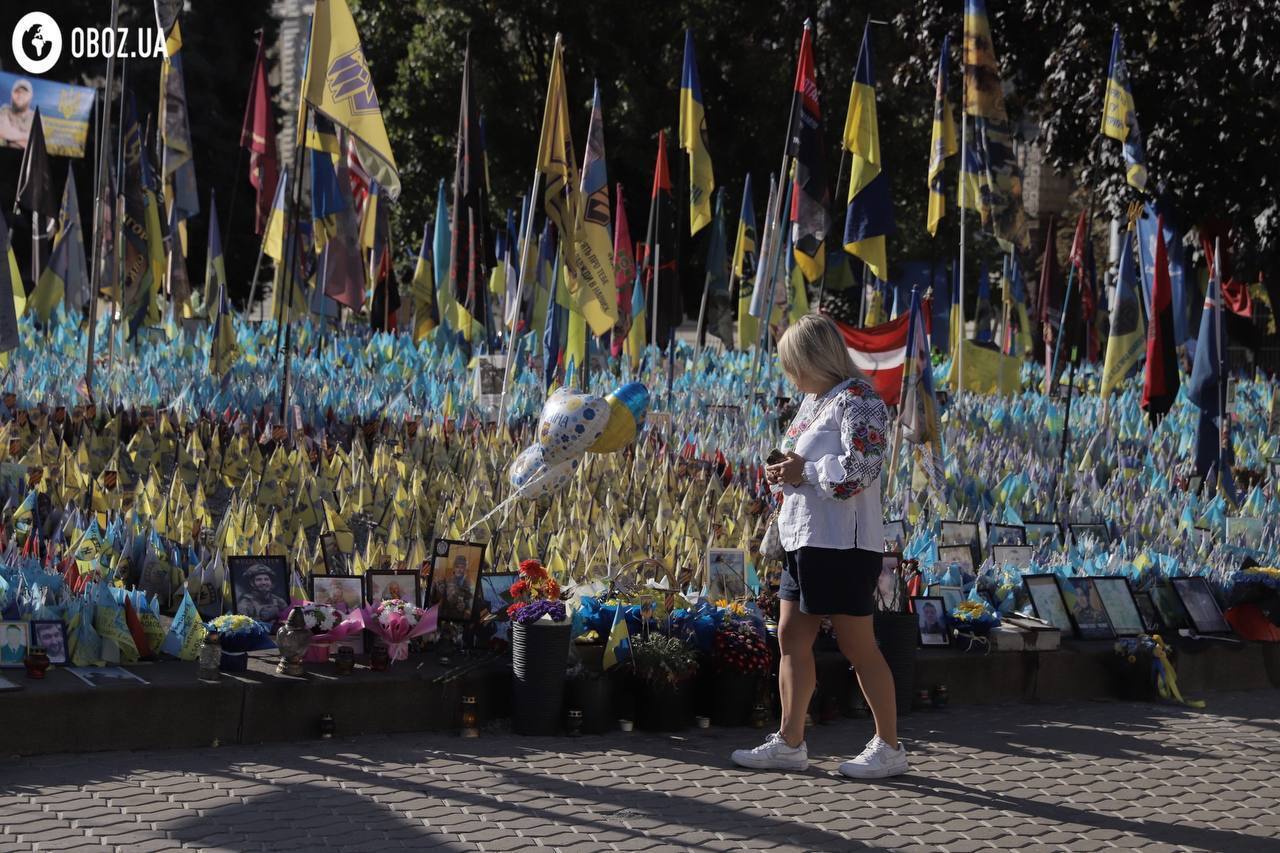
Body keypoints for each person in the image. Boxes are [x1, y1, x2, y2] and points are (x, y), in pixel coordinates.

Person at [731, 314, 907, 780]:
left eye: (793, 363)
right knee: (791, 636)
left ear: (814, 357)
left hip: (843, 544)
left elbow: (862, 469)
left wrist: (802, 472)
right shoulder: (814, 400)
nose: (790, 374)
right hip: (805, 538)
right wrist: (783, 471)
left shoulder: (860, 399)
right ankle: (790, 741)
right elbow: (803, 463)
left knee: (857, 644)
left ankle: (889, 745)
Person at [0, 79, 34, 148]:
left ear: (30, 96)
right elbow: (2, 131)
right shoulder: (5, 110)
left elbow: (33, 146)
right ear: (12, 93)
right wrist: (26, 136)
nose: (20, 95)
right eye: (17, 92)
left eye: (24, 93)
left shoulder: (36, 117)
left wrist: (9, 132)